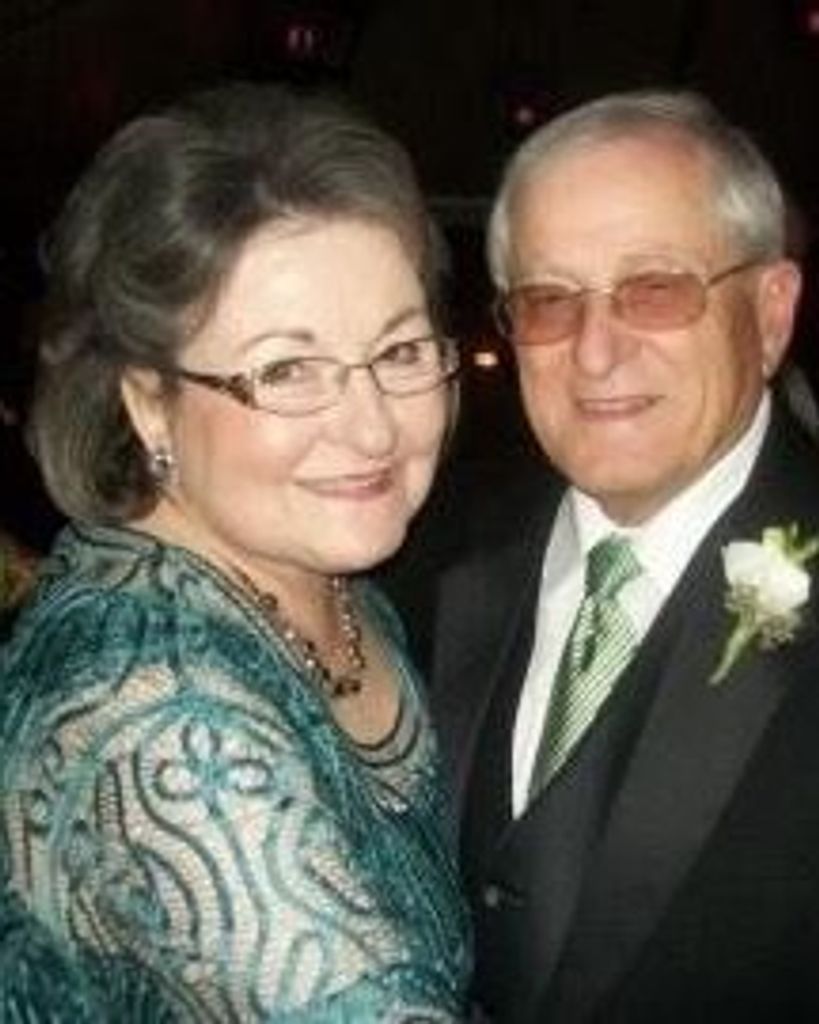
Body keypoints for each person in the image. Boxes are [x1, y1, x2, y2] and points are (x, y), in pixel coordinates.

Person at [0, 81, 471, 1021]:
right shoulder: (158, 716)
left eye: (399, 352)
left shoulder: (322, 580)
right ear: (149, 402)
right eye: (286, 370)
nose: (373, 428)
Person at [389, 89, 819, 1022]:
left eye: (653, 289)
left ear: (769, 312)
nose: (592, 352)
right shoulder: (421, 543)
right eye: (548, 301)